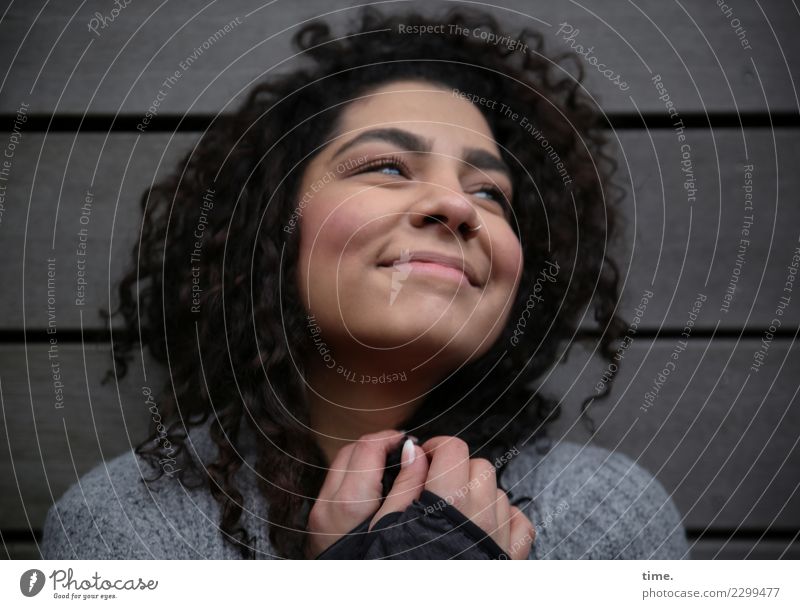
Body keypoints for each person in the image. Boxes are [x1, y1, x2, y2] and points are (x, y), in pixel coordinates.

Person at [41, 6, 690, 560]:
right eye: (386, 166)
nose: (457, 207)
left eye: (490, 191)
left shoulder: (602, 520)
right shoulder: (124, 526)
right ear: (272, 227)